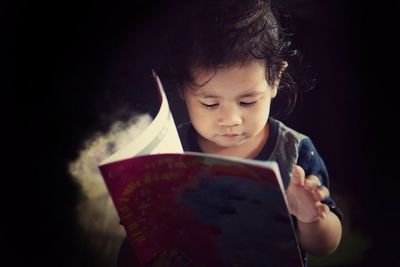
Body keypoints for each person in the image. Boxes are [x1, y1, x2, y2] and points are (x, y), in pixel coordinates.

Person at [118, 0, 342, 266]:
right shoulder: (170, 152)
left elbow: (326, 246)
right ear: (182, 89)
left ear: (275, 79)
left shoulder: (294, 153)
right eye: (210, 104)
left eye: (248, 102)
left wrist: (311, 217)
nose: (231, 120)